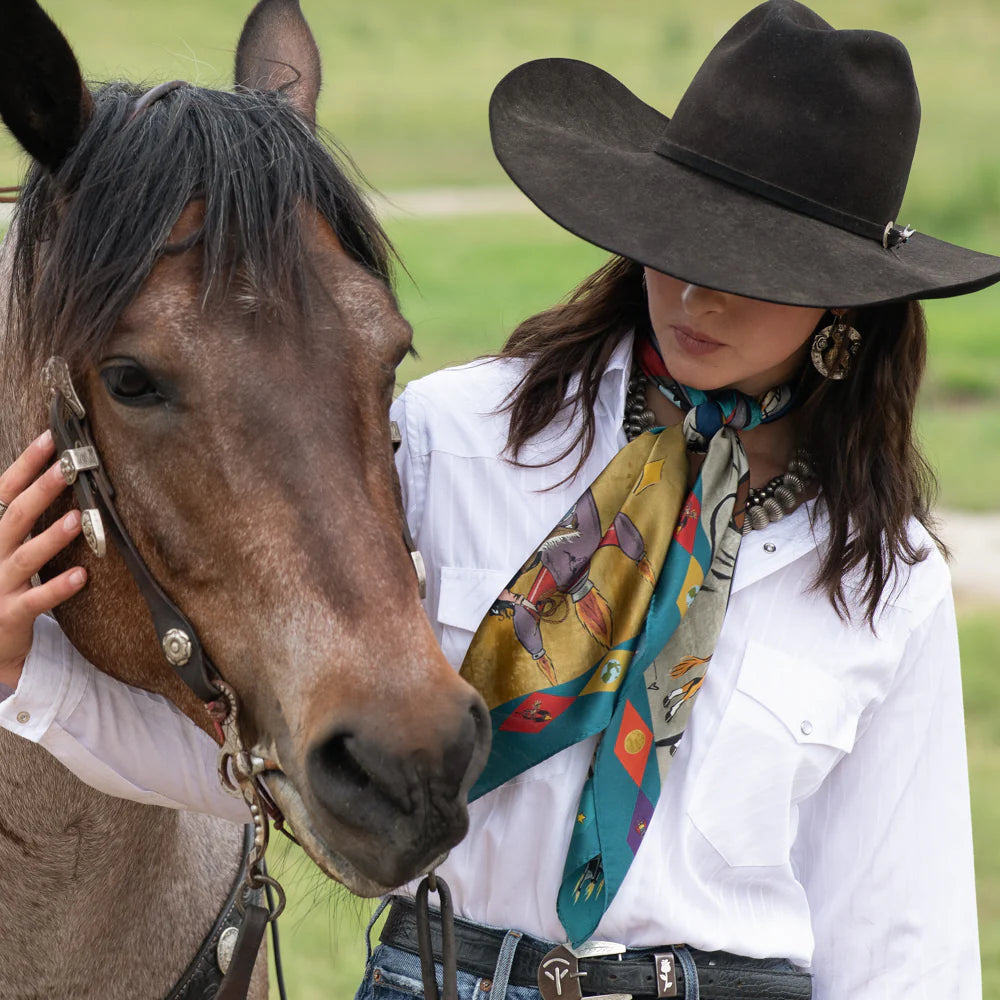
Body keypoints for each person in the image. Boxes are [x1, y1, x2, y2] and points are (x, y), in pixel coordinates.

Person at [1, 1, 997, 997]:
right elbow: (264, 761)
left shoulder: (883, 577)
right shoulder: (461, 439)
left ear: (848, 299)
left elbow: (902, 946)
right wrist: (27, 681)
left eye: (756, 266)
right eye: (681, 238)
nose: (698, 294)